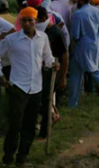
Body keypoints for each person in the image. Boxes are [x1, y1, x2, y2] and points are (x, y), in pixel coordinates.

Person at [0, 7, 57, 165]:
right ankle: (8, 156)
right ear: (20, 22)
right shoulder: (12, 39)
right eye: (24, 20)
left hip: (36, 88)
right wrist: (0, 75)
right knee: (15, 125)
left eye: (31, 20)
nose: (28, 23)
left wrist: (53, 64)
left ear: (35, 21)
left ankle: (22, 157)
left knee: (30, 126)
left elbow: (47, 58)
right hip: (18, 88)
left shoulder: (42, 38)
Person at [36, 7, 69, 138]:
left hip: (52, 71)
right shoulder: (40, 32)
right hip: (41, 71)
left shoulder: (55, 32)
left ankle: (45, 131)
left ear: (43, 19)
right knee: (44, 101)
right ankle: (54, 115)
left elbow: (65, 55)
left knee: (45, 100)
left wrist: (63, 78)